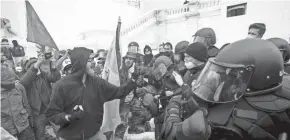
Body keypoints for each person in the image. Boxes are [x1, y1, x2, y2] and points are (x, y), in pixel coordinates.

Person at [161, 39, 290, 140]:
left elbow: (176, 134)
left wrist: (174, 108)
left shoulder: (234, 121)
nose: (225, 81)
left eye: (232, 76)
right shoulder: (282, 91)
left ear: (257, 77)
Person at [45, 47, 140, 140]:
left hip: (94, 135)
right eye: (89, 60)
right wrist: (69, 117)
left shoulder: (98, 83)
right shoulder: (61, 85)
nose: (94, 62)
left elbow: (119, 92)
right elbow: (52, 113)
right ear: (80, 63)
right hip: (70, 137)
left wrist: (133, 79)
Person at [20, 52, 61, 140]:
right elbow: (24, 82)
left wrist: (53, 65)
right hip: (37, 113)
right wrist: (36, 64)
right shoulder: (25, 78)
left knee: (60, 132)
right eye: (34, 66)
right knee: (40, 136)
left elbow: (56, 78)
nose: (37, 68)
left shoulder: (44, 75)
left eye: (38, 65)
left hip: (51, 109)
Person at [1, 65, 35, 140]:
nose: (12, 83)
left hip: (24, 126)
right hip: (7, 129)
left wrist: (30, 120)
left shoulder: (19, 87)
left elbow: (26, 105)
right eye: (9, 81)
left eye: (12, 80)